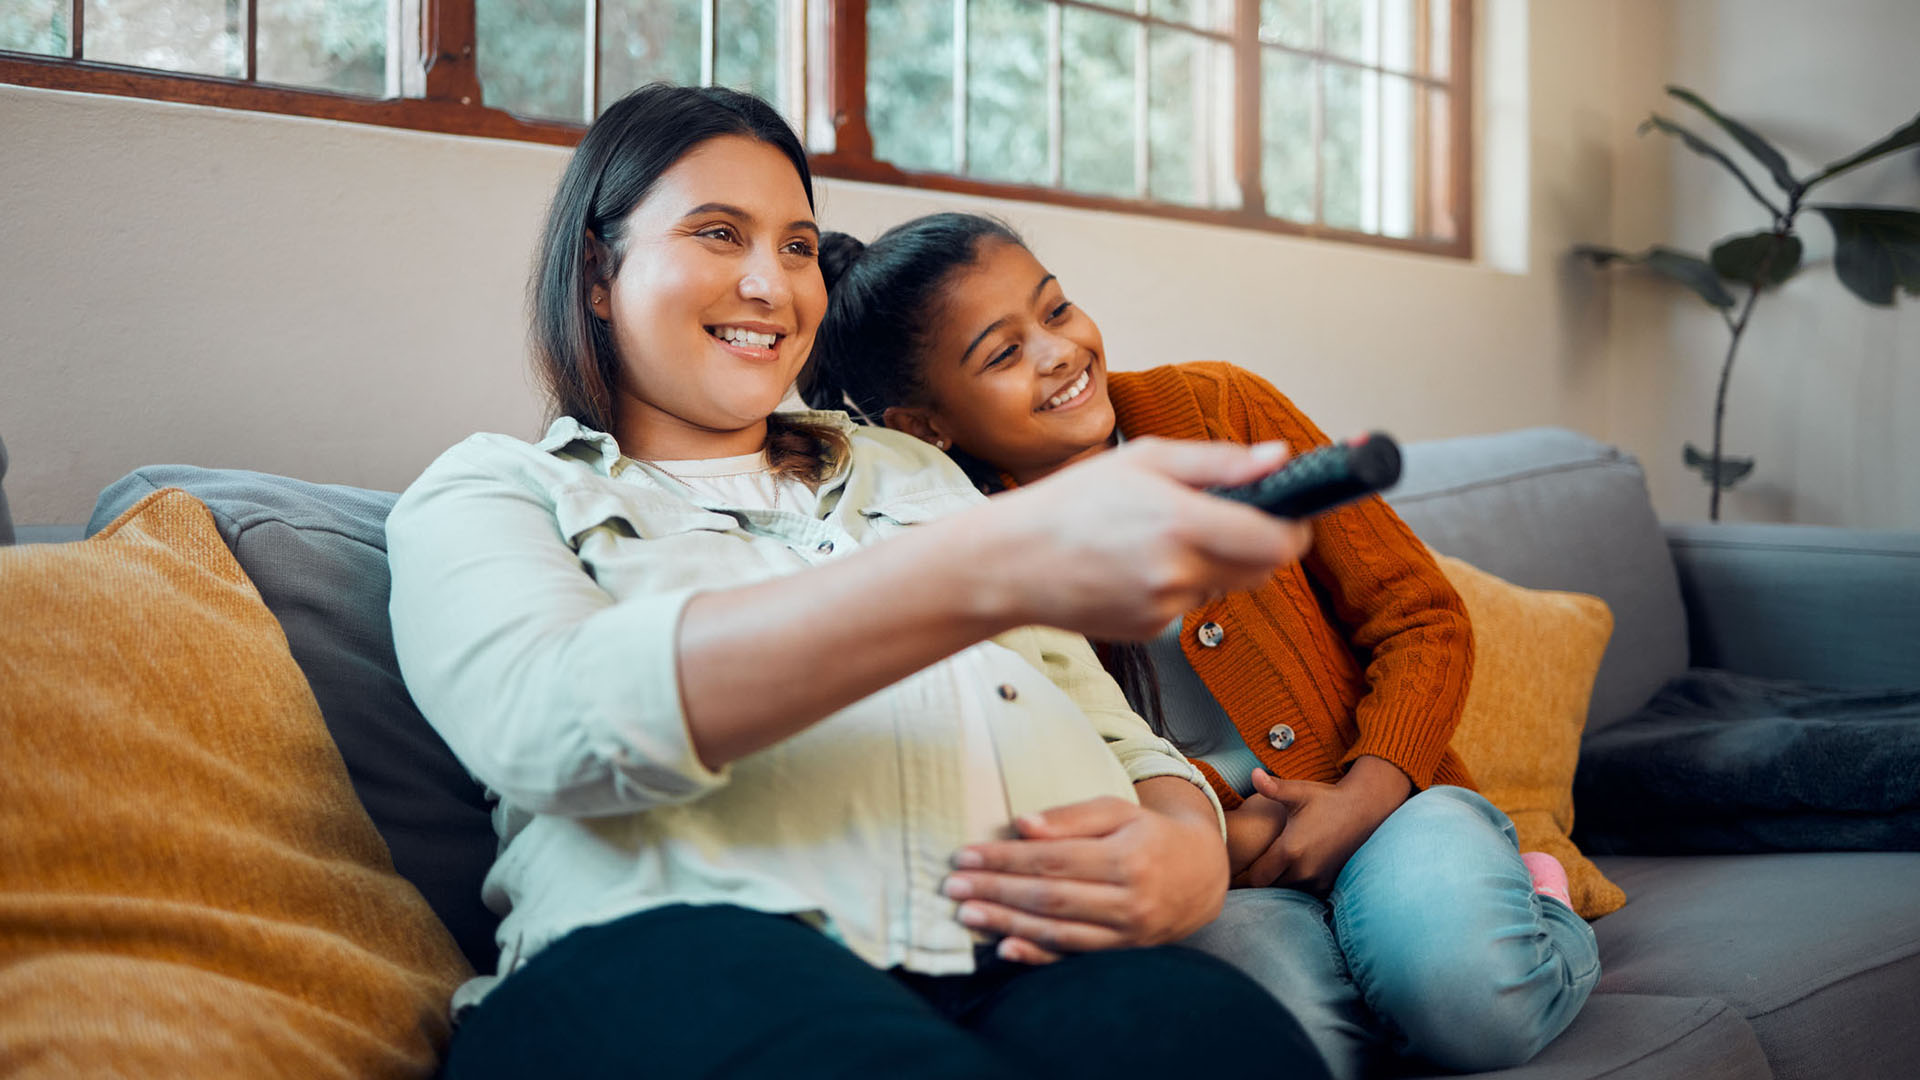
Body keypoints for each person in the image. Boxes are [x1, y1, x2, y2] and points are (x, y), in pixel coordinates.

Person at [385, 85, 1333, 1080]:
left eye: (798, 247)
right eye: (719, 234)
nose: (772, 285)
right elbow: (544, 723)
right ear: (595, 269)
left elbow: (1119, 736)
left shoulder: (910, 469)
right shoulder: (495, 488)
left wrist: (1187, 854)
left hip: (1024, 961)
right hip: (679, 954)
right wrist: (981, 570)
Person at [801, 211, 1603, 1080]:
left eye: (1058, 310)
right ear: (923, 427)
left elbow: (1419, 614)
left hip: (1387, 808)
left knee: (1470, 1004)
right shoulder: (969, 550)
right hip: (1227, 875)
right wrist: (1216, 833)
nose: (1060, 352)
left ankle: (1536, 904)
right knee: (1284, 1050)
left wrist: (1366, 791)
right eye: (1002, 354)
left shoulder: (1218, 409)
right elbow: (1055, 758)